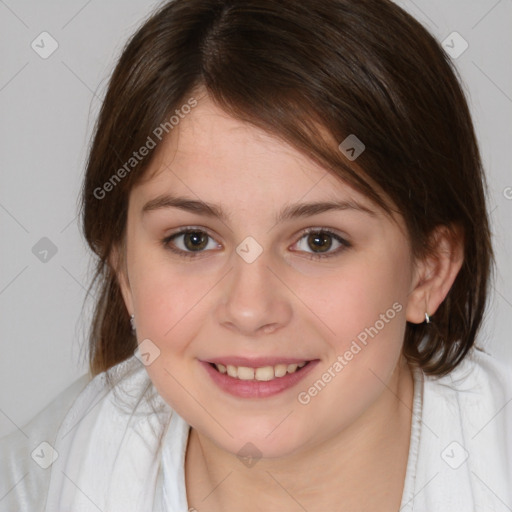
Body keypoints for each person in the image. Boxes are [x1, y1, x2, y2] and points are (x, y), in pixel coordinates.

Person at [1, 0, 511, 510]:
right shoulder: (34, 482)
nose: (249, 309)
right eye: (193, 239)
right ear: (124, 270)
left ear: (430, 270)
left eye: (319, 241)